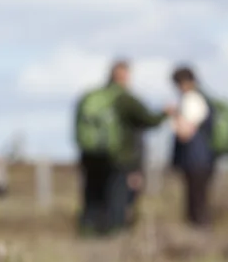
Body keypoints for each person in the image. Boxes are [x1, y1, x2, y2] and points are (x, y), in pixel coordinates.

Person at [76, 60, 169, 236]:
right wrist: (165, 113)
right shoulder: (125, 99)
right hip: (119, 158)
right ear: (125, 76)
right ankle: (114, 234)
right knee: (117, 196)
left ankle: (89, 231)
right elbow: (149, 120)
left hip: (89, 155)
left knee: (92, 194)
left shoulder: (90, 97)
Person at [170, 66, 215, 229]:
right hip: (202, 159)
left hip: (197, 159)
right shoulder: (201, 99)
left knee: (197, 202)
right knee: (196, 200)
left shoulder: (193, 99)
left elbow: (185, 132)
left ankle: (199, 238)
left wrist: (174, 115)